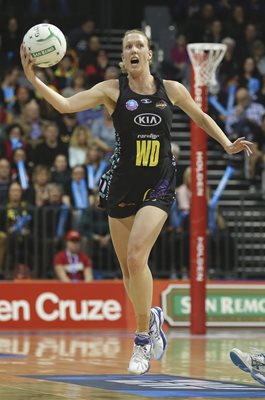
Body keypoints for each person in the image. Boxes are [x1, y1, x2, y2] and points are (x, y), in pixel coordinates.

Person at [21, 29, 252, 376]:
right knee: (129, 272)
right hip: (122, 186)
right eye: (128, 46)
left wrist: (225, 143)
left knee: (135, 255)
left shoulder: (171, 89)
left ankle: (142, 339)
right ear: (123, 58)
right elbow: (66, 106)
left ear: (148, 54)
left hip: (158, 185)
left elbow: (201, 117)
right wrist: (33, 79)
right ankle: (154, 317)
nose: (133, 49)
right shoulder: (112, 89)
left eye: (138, 45)